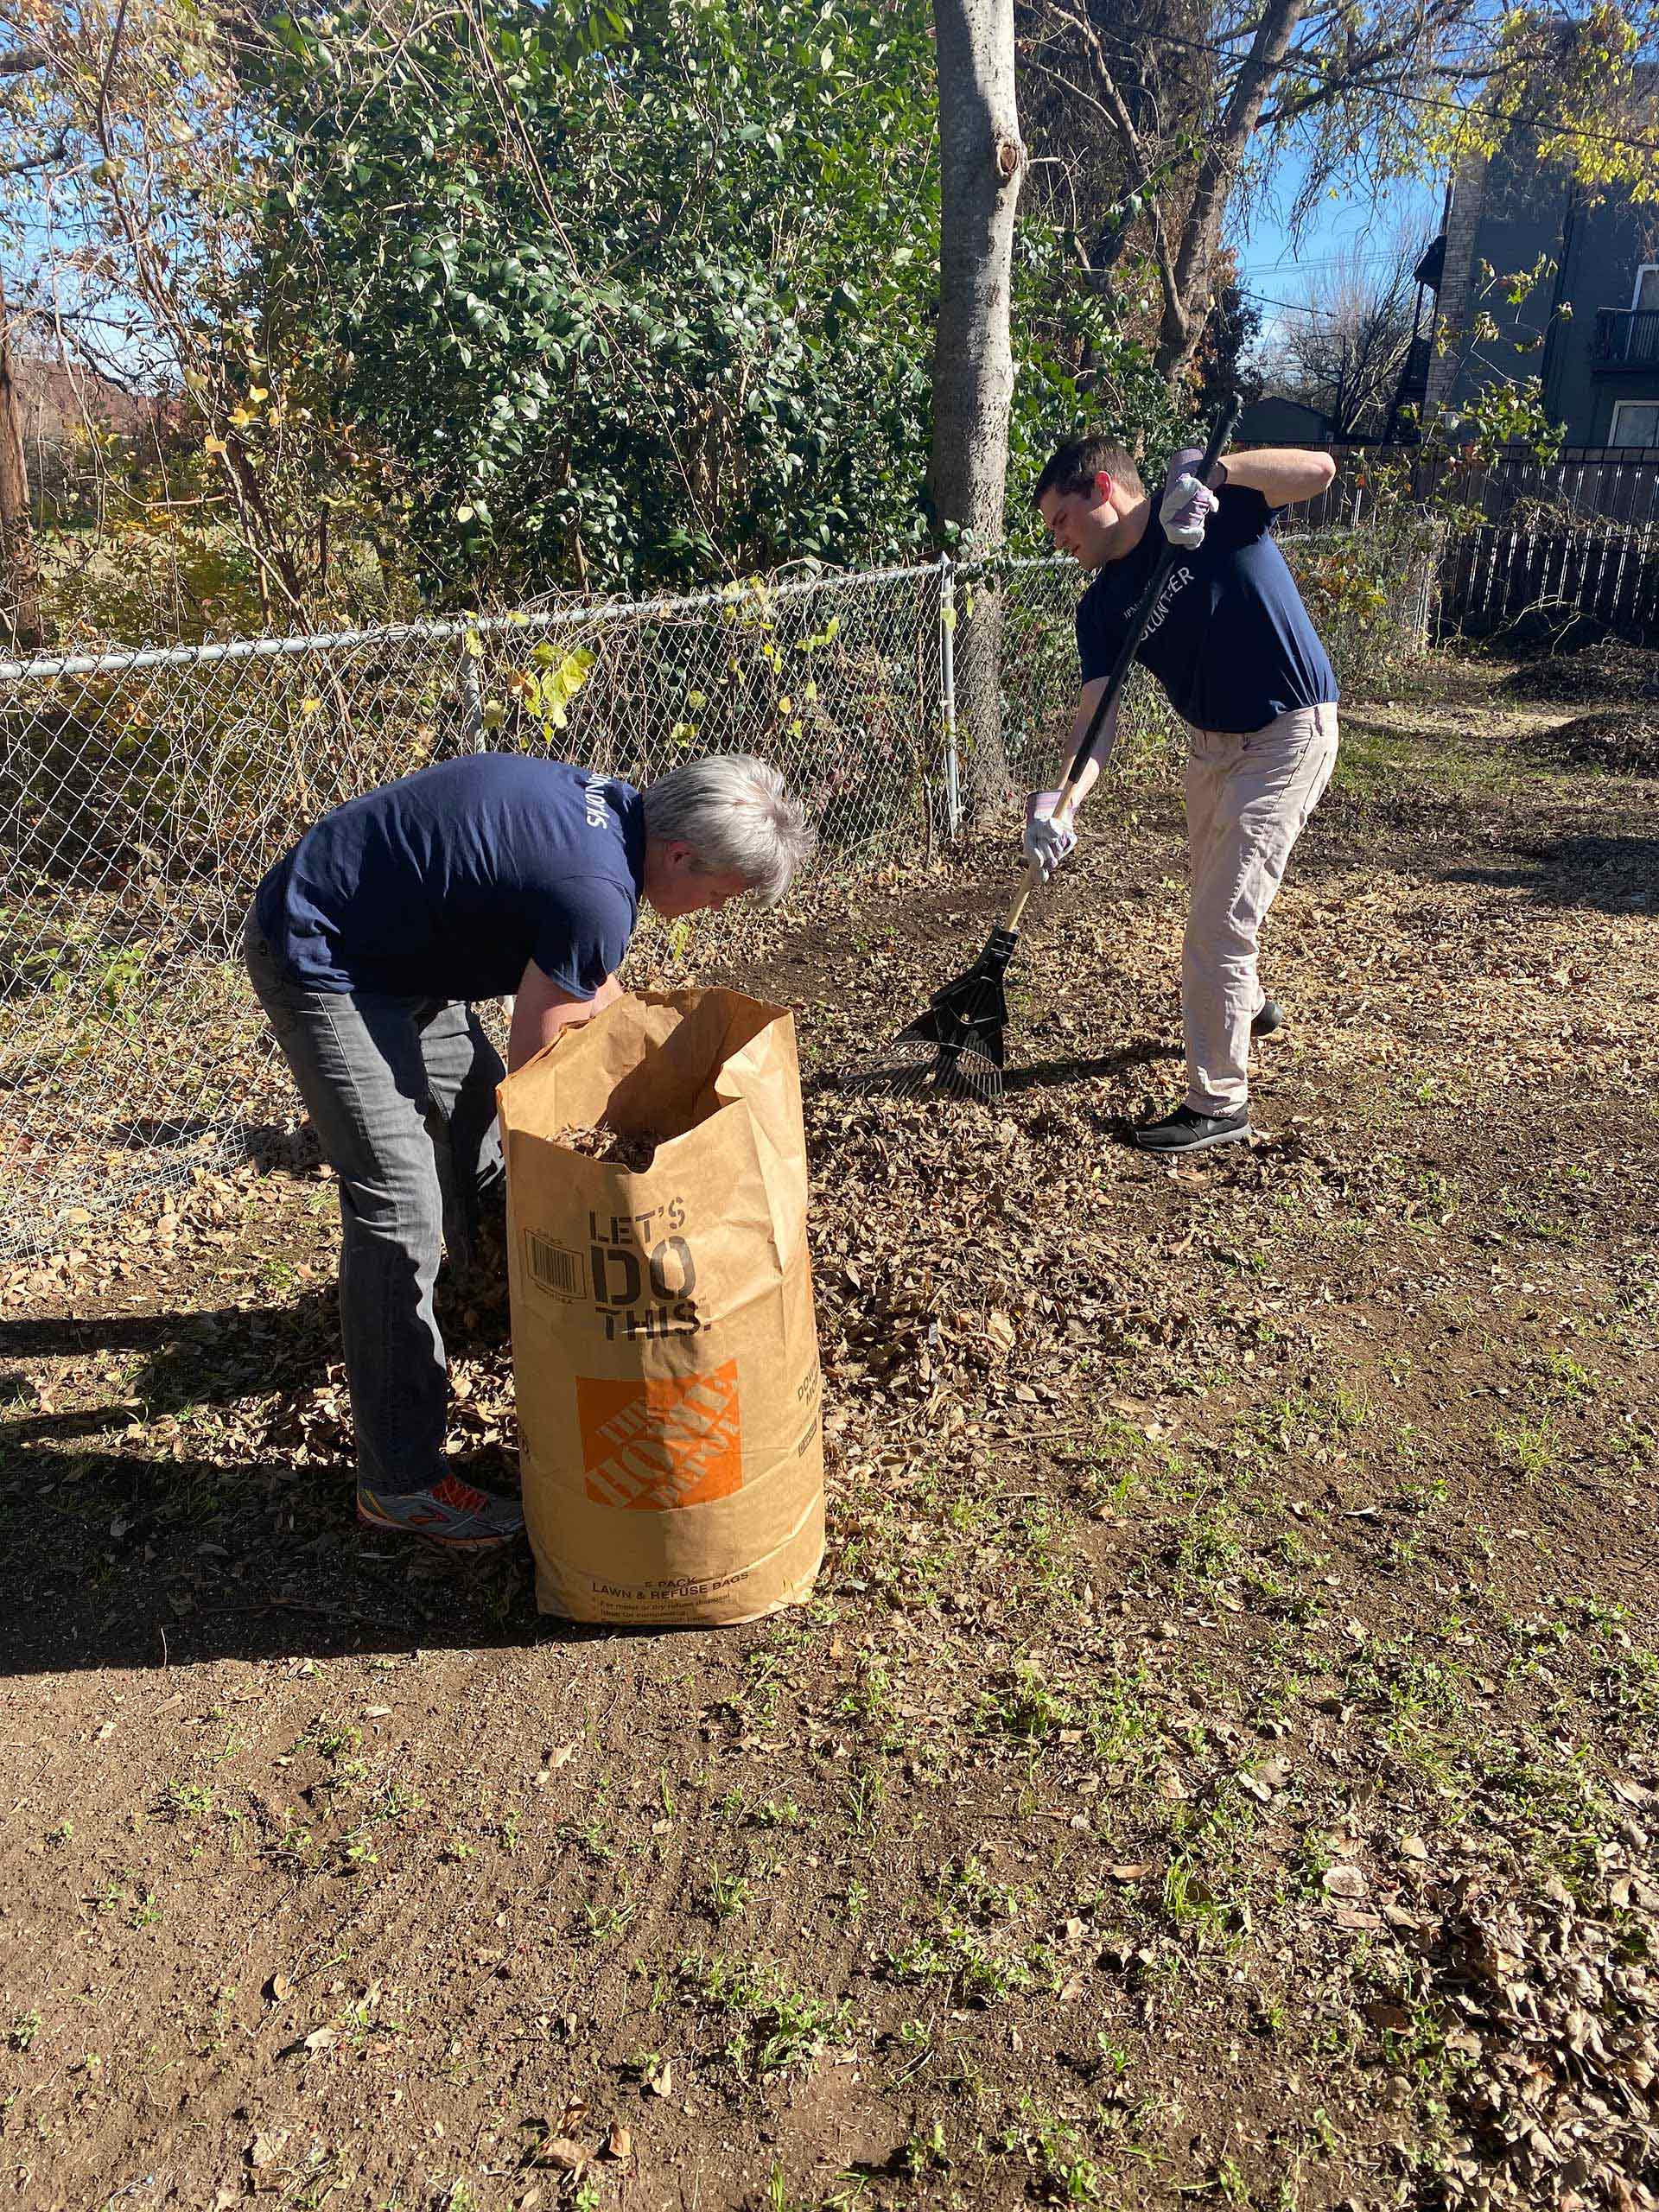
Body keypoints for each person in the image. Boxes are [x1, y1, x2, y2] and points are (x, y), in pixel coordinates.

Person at [244, 750, 817, 1550]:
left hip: (403, 943)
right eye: (718, 894)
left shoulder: (615, 813)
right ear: (680, 855)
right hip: (329, 954)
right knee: (399, 1208)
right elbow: (540, 1072)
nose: (713, 910)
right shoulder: (597, 891)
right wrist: (585, 1191)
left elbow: (581, 985)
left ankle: (493, 1311)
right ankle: (399, 1479)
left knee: (475, 1122)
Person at [1027, 435, 1339, 1155]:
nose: (1057, 541)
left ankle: (1220, 1102)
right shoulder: (1102, 606)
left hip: (1287, 730)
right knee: (1214, 896)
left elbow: (1320, 472)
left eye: (1060, 521)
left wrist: (1218, 475)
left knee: (1219, 922)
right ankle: (1249, 1006)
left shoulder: (1207, 510)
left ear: (1103, 488)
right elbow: (1095, 721)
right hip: (1211, 746)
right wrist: (1061, 801)